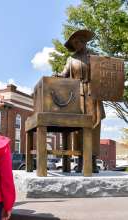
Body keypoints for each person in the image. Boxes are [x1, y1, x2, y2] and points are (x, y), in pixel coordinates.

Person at [53, 29, 105, 173]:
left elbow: (102, 74)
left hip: (93, 96)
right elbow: (64, 75)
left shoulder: (94, 57)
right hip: (76, 96)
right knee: (77, 129)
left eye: (80, 41)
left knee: (94, 127)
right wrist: (57, 76)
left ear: (85, 42)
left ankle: (93, 161)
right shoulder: (71, 60)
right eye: (75, 42)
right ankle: (81, 160)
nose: (78, 44)